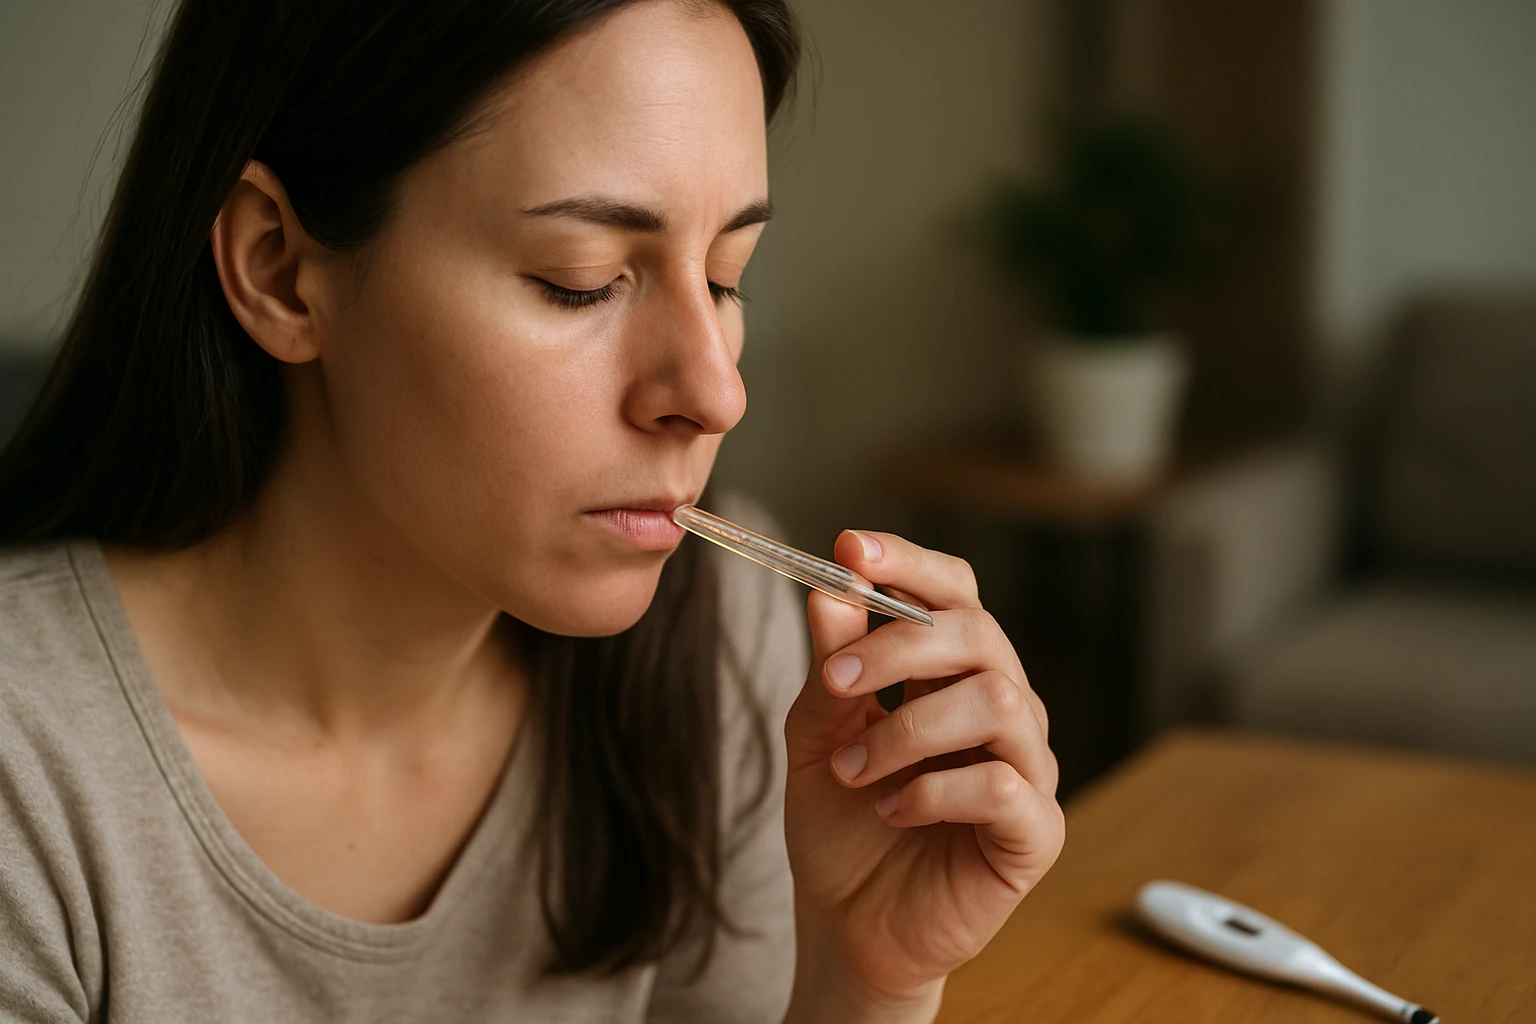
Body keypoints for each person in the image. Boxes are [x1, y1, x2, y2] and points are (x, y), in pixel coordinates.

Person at [0, 1, 1064, 1020]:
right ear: (278, 268)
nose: (715, 393)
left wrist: (866, 987)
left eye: (725, 275)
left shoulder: (716, 644)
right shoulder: (28, 778)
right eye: (580, 279)